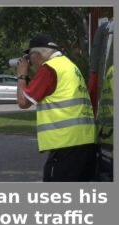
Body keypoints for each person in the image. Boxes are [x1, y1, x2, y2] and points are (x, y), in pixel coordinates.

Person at [16, 34, 96, 182]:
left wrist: (21, 75)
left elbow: (23, 102)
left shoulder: (49, 69)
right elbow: (46, 89)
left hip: (66, 144)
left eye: (30, 58)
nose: (30, 63)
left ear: (37, 55)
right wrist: (30, 73)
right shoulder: (67, 65)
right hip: (84, 142)